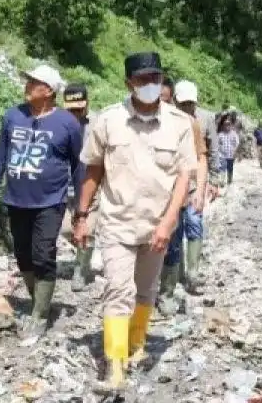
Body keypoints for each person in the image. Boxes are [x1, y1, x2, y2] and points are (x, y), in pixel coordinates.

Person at [74, 52, 195, 390]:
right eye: (142, 80)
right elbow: (93, 170)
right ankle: (115, 368)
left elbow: (184, 178)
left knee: (146, 290)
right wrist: (82, 215)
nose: (150, 85)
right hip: (117, 222)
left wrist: (168, 223)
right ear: (129, 83)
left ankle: (136, 344)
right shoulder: (109, 120)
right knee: (118, 291)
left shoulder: (179, 124)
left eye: (155, 78)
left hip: (157, 224)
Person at [0, 64, 83, 338]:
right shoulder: (13, 116)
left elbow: (79, 166)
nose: (26, 86)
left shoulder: (67, 124)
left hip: (51, 200)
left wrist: (81, 208)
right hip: (17, 199)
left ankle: (40, 314)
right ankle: (40, 298)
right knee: (23, 254)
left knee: (43, 253)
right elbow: (0, 155)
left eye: (33, 82)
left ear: (48, 91)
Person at [157, 80, 211, 311]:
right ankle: (163, 287)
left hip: (184, 190)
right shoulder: (145, 122)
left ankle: (186, 277)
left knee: (188, 229)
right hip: (157, 192)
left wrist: (201, 189)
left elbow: (202, 158)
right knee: (169, 240)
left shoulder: (191, 124)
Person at [62, 82, 96, 291]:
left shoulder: (97, 124)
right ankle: (84, 252)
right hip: (65, 185)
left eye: (79, 109)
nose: (76, 113)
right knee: (66, 227)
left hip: (90, 185)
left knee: (88, 229)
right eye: (71, 109)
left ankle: (81, 270)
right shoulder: (58, 123)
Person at [218, 116, 240, 185]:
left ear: (230, 125)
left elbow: (237, 143)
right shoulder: (220, 134)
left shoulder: (234, 134)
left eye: (228, 124)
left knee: (230, 168)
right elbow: (217, 143)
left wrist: (235, 152)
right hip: (222, 155)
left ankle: (229, 180)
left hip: (231, 154)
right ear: (223, 125)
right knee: (222, 168)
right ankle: (222, 181)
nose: (227, 126)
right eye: (225, 124)